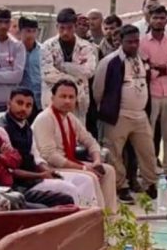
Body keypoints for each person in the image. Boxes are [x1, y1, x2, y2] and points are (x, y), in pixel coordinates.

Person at [0, 88, 107, 208]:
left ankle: (96, 218)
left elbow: (36, 157)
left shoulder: (25, 126)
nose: (23, 109)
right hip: (21, 185)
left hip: (36, 177)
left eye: (28, 105)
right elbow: (11, 170)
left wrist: (48, 171)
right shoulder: (2, 129)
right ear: (9, 103)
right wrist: (41, 175)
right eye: (19, 103)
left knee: (85, 180)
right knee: (69, 189)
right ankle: (79, 222)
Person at [94, 24, 158, 203]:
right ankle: (121, 187)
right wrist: (108, 110)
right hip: (118, 115)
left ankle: (150, 184)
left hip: (140, 115)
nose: (133, 45)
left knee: (148, 151)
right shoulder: (110, 61)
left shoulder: (142, 59)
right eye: (129, 42)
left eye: (136, 41)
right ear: (120, 42)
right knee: (114, 153)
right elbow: (98, 91)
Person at [33, 79, 118, 212]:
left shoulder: (70, 118)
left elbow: (90, 141)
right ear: (52, 98)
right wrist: (83, 167)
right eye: (63, 96)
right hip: (51, 168)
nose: (67, 101)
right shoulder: (45, 118)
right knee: (90, 177)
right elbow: (49, 155)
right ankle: (96, 220)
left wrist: (96, 161)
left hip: (69, 163)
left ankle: (111, 218)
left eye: (71, 97)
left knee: (108, 171)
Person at [140, 6, 167, 180]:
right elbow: (145, 71)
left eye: (162, 18)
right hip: (151, 93)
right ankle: (149, 171)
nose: (159, 21)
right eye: (155, 18)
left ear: (166, 20)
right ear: (149, 20)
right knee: (148, 136)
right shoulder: (142, 42)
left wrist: (159, 66)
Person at [41, 8, 97, 122]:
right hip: (54, 99)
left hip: (78, 100)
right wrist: (74, 79)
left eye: (69, 28)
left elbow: (89, 71)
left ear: (75, 27)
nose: (65, 32)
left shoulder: (86, 46)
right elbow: (47, 73)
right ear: (57, 27)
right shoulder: (47, 46)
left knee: (77, 136)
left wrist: (65, 66)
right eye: (62, 28)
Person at [17, 16, 42, 121]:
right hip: (21, 101)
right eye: (27, 31)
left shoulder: (43, 50)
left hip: (39, 100)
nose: (30, 35)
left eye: (33, 31)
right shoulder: (15, 50)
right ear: (20, 32)